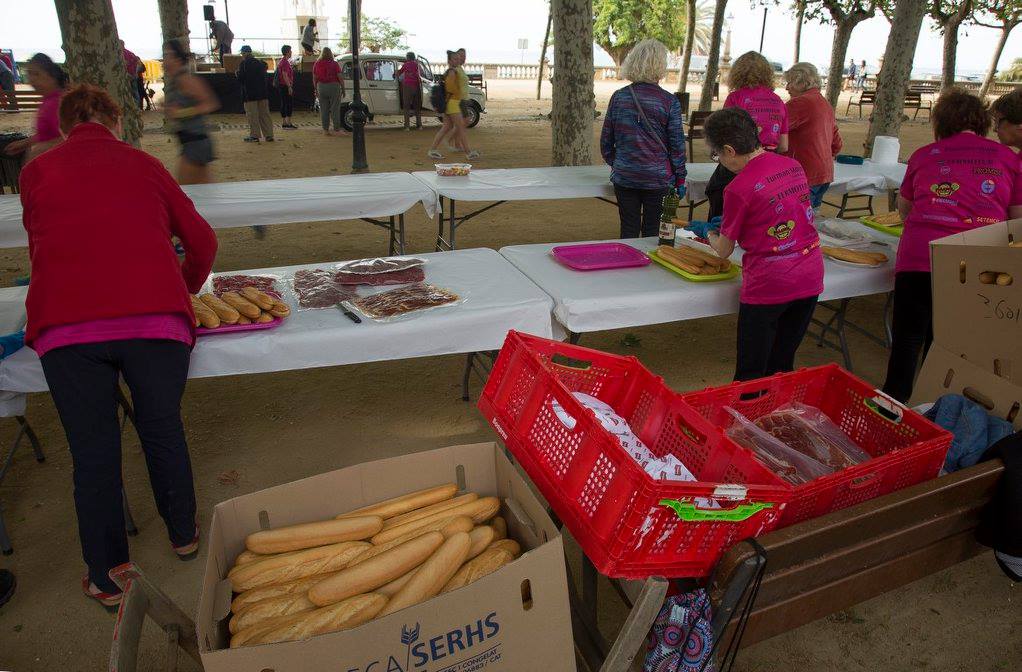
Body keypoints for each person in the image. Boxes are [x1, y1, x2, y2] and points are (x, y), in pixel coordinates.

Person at [19, 84, 218, 607]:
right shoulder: (145, 164)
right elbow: (202, 241)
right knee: (162, 427)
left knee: (93, 452)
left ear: (65, 127)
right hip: (155, 323)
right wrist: (183, 287)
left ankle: (107, 577)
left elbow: (40, 244)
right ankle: (183, 534)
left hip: (66, 328)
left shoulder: (35, 172)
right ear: (117, 121)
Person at [882, 89, 1022, 402]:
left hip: (920, 256)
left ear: (941, 122)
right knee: (946, 344)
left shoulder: (924, 155)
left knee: (907, 338)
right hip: (976, 263)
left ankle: (892, 404)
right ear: (981, 121)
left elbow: (905, 209)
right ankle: (931, 407)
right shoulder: (1009, 159)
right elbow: (1017, 219)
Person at [701, 107, 823, 381]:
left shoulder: (737, 188)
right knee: (781, 365)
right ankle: (775, 408)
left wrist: (709, 232)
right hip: (810, 273)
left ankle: (749, 409)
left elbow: (724, 250)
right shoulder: (793, 165)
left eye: (717, 154)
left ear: (729, 150)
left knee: (751, 373)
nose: (719, 160)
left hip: (771, 282)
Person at [600, 39, 686, 239]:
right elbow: (677, 146)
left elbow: (606, 142)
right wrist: (680, 177)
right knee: (652, 232)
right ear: (660, 66)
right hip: (658, 178)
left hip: (625, 176)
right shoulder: (669, 101)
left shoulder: (619, 97)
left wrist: (620, 162)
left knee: (628, 229)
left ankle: (627, 259)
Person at [705, 51, 788, 220]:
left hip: (737, 163)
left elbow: (722, 134)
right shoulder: (778, 101)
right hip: (768, 167)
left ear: (737, 73)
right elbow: (784, 145)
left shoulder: (735, 98)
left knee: (718, 201)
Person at [784, 62, 842, 210]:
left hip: (804, 173)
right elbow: (837, 144)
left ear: (801, 82)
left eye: (790, 82)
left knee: (796, 219)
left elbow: (774, 131)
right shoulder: (824, 103)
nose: (787, 88)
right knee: (811, 216)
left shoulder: (799, 103)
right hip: (824, 172)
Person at [163, 39, 219, 185]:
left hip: (195, 142)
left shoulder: (186, 79)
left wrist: (181, 113)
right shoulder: (176, 81)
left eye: (168, 55)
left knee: (185, 191)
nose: (164, 60)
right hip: (190, 142)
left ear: (177, 59)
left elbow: (211, 104)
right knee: (203, 191)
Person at [3, 53, 67, 163]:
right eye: (29, 74)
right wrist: (24, 143)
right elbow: (46, 133)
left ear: (52, 77)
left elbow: (70, 137)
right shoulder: (47, 101)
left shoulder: (59, 103)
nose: (31, 80)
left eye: (36, 74)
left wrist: (41, 149)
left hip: (59, 164)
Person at [429, 50, 478, 160]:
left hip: (451, 103)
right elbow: (451, 89)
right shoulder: (452, 72)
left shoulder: (452, 71)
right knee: (460, 128)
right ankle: (468, 153)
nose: (458, 60)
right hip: (453, 103)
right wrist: (460, 91)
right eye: (455, 59)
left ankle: (432, 150)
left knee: (446, 128)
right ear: (450, 61)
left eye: (458, 59)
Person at [237, 46, 273, 143]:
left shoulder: (244, 64)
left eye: (242, 53)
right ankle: (269, 135)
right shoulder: (261, 63)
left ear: (245, 53)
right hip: (263, 93)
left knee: (252, 116)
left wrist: (237, 74)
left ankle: (254, 135)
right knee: (265, 115)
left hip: (250, 94)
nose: (242, 55)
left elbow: (241, 79)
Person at [313, 47, 345, 136]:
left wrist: (315, 89)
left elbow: (314, 78)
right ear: (331, 53)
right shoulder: (334, 64)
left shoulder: (317, 63)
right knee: (335, 109)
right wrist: (343, 89)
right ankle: (336, 129)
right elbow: (340, 77)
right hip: (334, 87)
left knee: (324, 109)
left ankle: (325, 130)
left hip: (321, 87)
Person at [397, 51, 422, 130]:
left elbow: (399, 72)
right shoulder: (417, 65)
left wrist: (395, 73)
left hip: (407, 86)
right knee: (417, 106)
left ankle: (407, 126)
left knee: (406, 106)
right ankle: (419, 125)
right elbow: (421, 74)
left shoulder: (406, 64)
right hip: (416, 86)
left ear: (408, 57)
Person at [276, 45, 296, 130]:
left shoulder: (283, 61)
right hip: (285, 85)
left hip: (283, 85)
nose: (291, 52)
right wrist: (289, 86)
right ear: (287, 52)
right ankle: (288, 122)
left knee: (284, 103)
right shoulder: (285, 62)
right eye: (290, 51)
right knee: (288, 103)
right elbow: (285, 75)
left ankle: (285, 122)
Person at [120, 41, 142, 107]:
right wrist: (136, 72)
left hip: (127, 75)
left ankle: (133, 106)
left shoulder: (121, 53)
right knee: (135, 91)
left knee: (128, 91)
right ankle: (137, 106)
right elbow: (138, 62)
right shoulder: (130, 53)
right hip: (133, 74)